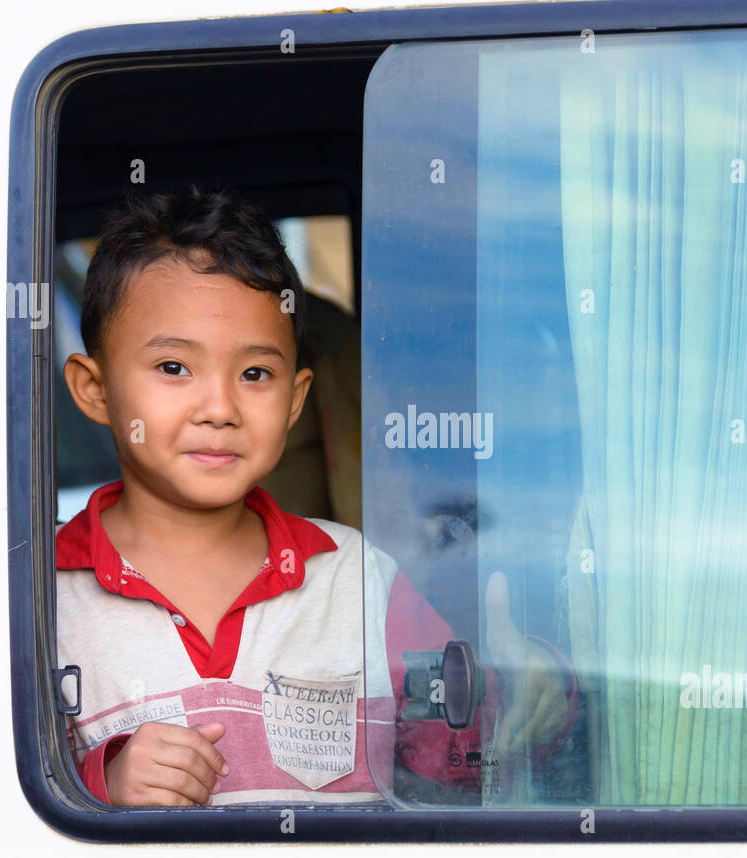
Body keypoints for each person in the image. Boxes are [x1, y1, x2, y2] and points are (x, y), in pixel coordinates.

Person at [56, 187, 578, 806]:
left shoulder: (355, 577)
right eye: (173, 367)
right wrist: (103, 787)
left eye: (255, 374)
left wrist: (532, 693)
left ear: (296, 400)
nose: (220, 408)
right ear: (93, 390)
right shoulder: (45, 597)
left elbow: (457, 759)